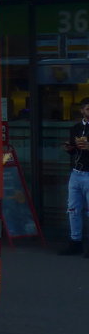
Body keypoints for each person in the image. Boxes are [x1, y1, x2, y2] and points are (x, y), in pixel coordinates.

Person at [59, 96, 89, 255]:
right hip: (76, 173)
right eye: (88, 109)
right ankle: (75, 242)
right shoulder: (76, 128)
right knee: (73, 210)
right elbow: (73, 150)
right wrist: (69, 148)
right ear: (82, 111)